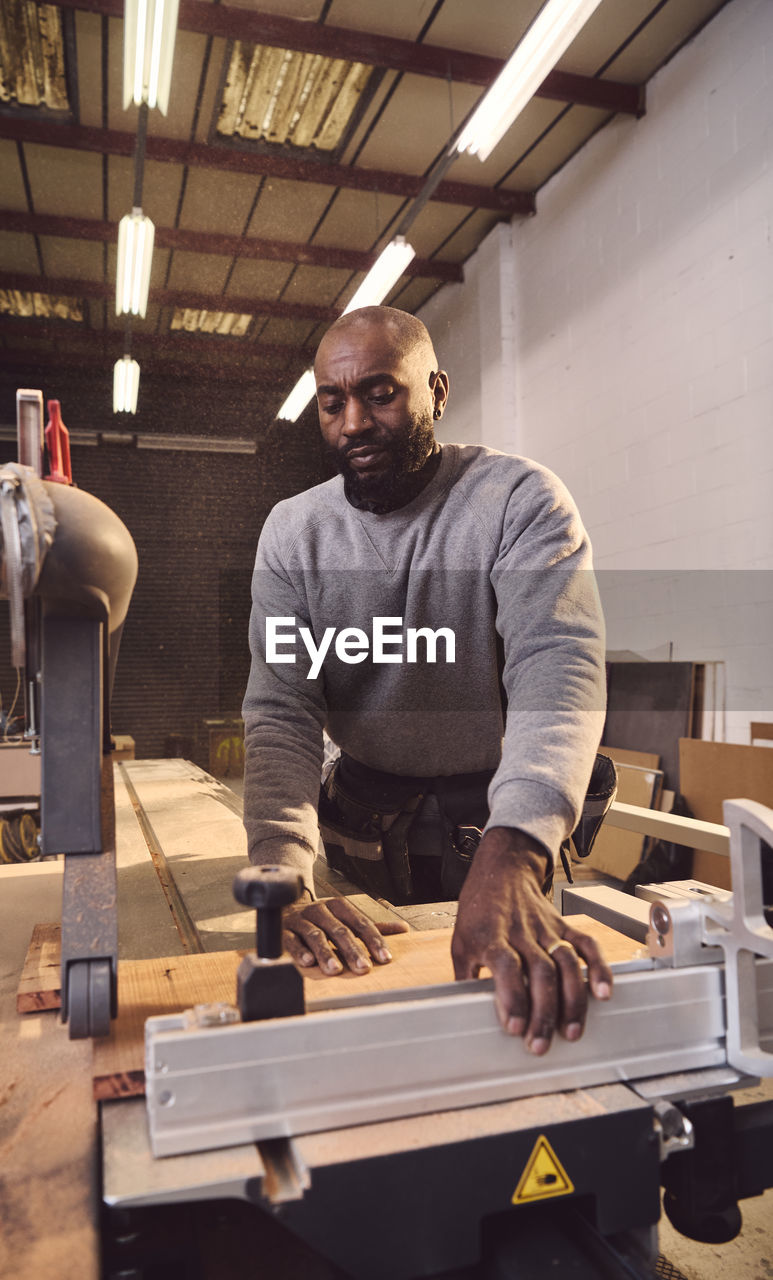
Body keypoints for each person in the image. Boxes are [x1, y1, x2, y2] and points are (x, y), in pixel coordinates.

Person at [242, 305, 612, 1055]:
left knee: (517, 1040)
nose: (352, 422)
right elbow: (282, 709)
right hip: (365, 822)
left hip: (497, 817)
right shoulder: (293, 532)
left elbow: (558, 665)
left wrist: (517, 849)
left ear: (436, 391)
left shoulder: (518, 500)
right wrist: (283, 873)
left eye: (380, 393)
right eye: (331, 401)